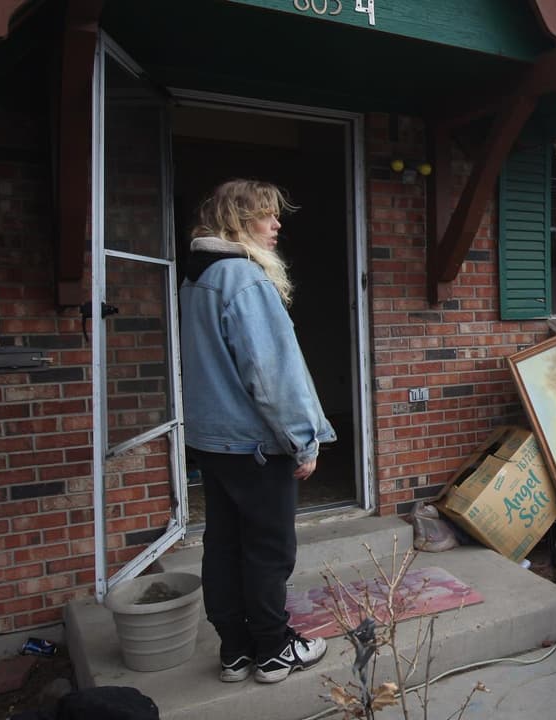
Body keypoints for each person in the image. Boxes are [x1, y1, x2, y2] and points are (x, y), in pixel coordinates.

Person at [179, 179, 336, 684]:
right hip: (255, 445)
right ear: (239, 221)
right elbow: (271, 376)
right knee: (269, 549)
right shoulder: (244, 278)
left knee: (224, 546)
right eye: (267, 215)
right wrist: (303, 440)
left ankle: (235, 651)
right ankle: (272, 651)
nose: (277, 224)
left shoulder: (197, 278)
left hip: (213, 442)